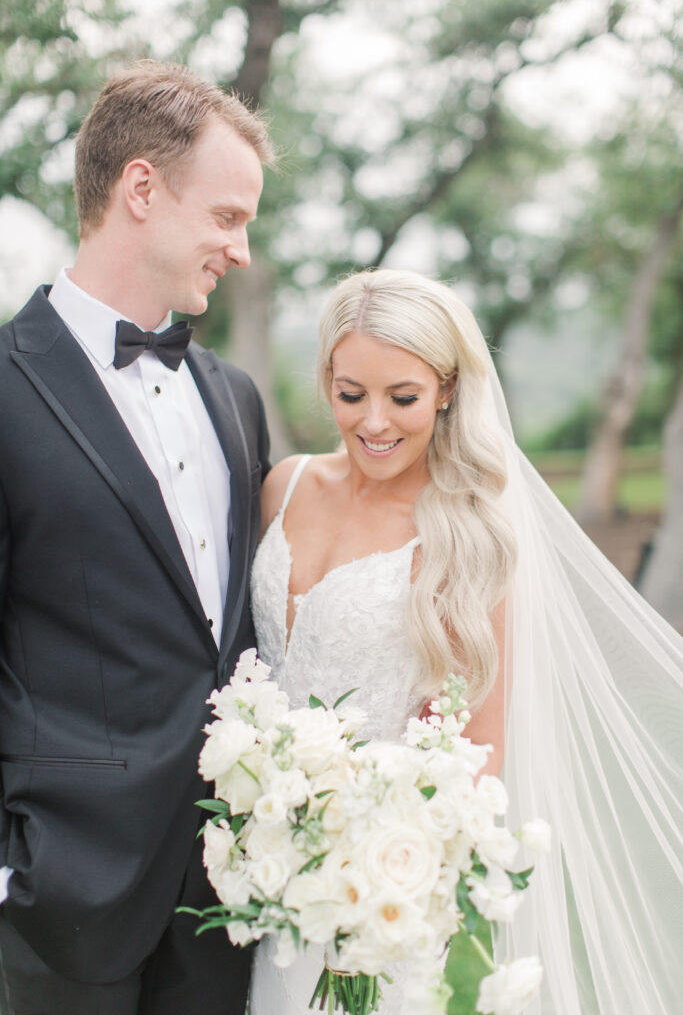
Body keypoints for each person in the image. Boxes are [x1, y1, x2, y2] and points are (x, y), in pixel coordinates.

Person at [247, 269, 683, 1015]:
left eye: (403, 397)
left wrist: (360, 870)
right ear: (326, 379)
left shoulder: (467, 537)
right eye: (351, 394)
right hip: (251, 877)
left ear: (447, 389)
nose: (373, 422)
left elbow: (472, 758)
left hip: (373, 897)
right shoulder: (282, 486)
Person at [0, 60, 273, 1015]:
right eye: (228, 217)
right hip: (57, 902)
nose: (240, 249)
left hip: (227, 899)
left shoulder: (237, 401)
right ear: (142, 188)